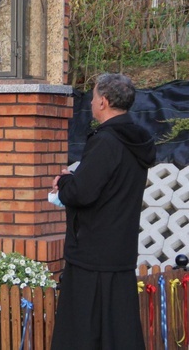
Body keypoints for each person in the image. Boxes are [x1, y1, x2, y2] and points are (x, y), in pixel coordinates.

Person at [50, 73, 155, 350]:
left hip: (92, 255)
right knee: (117, 332)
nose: (92, 101)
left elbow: (81, 193)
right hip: (119, 251)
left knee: (86, 333)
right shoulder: (137, 140)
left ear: (104, 102)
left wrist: (64, 181)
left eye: (95, 96)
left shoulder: (107, 141)